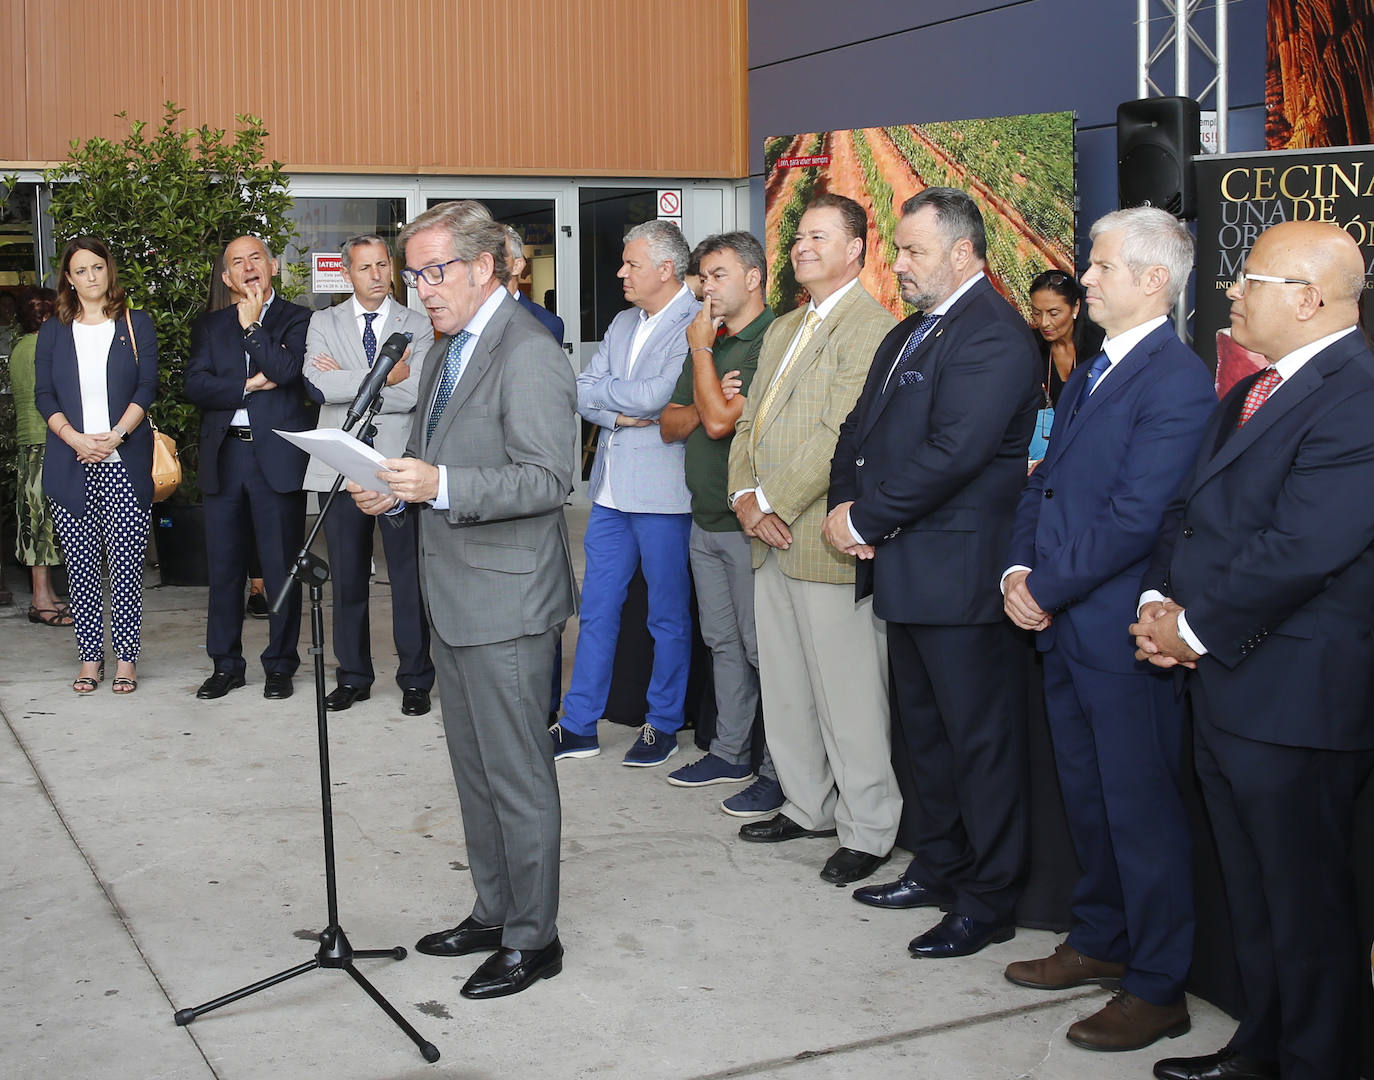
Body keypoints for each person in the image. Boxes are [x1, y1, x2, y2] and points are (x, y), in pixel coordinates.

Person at [1134, 220, 1374, 1080]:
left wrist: (1189, 631)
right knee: (1255, 893)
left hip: (1295, 699)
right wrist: (1161, 598)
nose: (1232, 292)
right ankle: (1260, 1048)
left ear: (1309, 299)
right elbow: (1189, 515)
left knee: (1306, 905)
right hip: (1230, 687)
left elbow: (1303, 547)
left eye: (1252, 280)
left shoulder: (1357, 395)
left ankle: (1317, 1062)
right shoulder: (1249, 392)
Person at [348, 199, 577, 1000]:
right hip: (453, 591)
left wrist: (439, 484)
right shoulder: (446, 347)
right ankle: (493, 909)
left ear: (485, 267)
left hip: (509, 598)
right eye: (414, 274)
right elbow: (428, 451)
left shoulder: (530, 350)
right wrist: (395, 487)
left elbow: (551, 477)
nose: (423, 289)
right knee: (474, 768)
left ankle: (533, 937)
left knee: (517, 772)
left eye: (434, 271)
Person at [1001, 207, 1217, 1050]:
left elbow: (1136, 518)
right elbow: (1043, 482)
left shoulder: (1175, 378)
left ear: (1152, 280)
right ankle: (1100, 939)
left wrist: (1045, 586)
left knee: (1140, 810)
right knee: (1088, 800)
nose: (1082, 278)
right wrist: (1019, 573)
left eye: (1097, 266)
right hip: (1062, 621)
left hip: (1120, 636)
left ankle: (1160, 986)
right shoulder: (1095, 369)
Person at [824, 187, 1039, 955]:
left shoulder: (995, 336)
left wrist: (864, 519)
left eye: (913, 251)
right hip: (907, 569)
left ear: (962, 252)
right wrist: (850, 505)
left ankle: (988, 899)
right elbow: (860, 430)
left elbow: (956, 453)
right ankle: (940, 866)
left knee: (979, 745)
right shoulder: (913, 332)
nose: (900, 264)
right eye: (899, 249)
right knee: (927, 738)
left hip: (961, 577)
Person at [726, 193, 900, 885]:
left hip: (823, 539)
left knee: (850, 695)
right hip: (766, 536)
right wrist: (744, 496)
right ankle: (806, 805)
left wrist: (771, 500)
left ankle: (868, 827)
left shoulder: (873, 328)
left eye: (818, 236)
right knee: (789, 688)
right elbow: (749, 426)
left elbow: (839, 432)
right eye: (798, 236)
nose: (801, 246)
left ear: (856, 248)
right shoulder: (783, 327)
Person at [550, 219, 700, 767]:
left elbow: (661, 395)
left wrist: (612, 404)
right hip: (611, 493)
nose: (620, 272)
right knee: (596, 612)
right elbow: (580, 390)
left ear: (666, 269)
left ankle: (662, 723)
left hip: (664, 497)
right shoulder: (621, 321)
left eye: (631, 263)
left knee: (666, 617)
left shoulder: (696, 321)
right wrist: (620, 410)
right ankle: (579, 724)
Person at [659, 231, 780, 814]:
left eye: (718, 274)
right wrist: (712, 394)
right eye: (702, 276)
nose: (706, 287)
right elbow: (671, 421)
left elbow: (714, 424)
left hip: (748, 526)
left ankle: (781, 769)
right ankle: (731, 752)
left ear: (754, 277)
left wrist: (704, 361)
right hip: (703, 519)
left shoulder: (770, 339)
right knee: (723, 644)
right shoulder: (712, 340)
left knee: (763, 650)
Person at [302, 234, 436, 715]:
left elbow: (416, 392)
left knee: (406, 577)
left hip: (399, 465)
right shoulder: (323, 320)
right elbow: (318, 385)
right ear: (347, 274)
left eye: (383, 265)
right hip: (339, 465)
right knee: (347, 577)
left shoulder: (417, 325)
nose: (377, 275)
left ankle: (416, 679)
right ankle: (353, 676)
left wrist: (353, 378)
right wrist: (385, 375)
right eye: (365, 268)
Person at [185, 236, 312, 700]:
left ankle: (280, 665)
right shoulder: (211, 325)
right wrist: (247, 385)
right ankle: (226, 664)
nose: (247, 267)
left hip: (275, 455)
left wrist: (254, 329)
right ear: (227, 278)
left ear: (273, 266)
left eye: (255, 257)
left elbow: (286, 369)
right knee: (224, 568)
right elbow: (195, 385)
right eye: (236, 262)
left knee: (280, 567)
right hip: (226, 454)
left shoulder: (297, 318)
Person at [34, 237, 158, 694]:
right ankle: (90, 659)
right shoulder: (53, 331)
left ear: (109, 271)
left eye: (97, 268)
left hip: (123, 458)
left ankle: (125, 660)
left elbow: (147, 387)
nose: (90, 277)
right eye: (80, 270)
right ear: (68, 278)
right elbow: (43, 395)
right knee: (82, 569)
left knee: (126, 566)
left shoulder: (135, 323)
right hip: (73, 460)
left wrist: (115, 437)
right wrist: (76, 439)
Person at [9, 287, 70, 628]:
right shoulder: (42, 348)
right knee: (43, 523)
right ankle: (41, 600)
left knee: (34, 520)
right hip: (48, 442)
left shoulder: (19, 348)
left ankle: (44, 596)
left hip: (29, 443)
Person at [1028, 268, 1104, 408]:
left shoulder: (1101, 344)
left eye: (1054, 313)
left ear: (1075, 307)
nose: (1044, 322)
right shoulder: (1032, 344)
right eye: (1037, 313)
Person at [502, 225, 564, 343]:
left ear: (517, 266)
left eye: (497, 259)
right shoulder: (466, 319)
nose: (486, 267)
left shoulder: (544, 324)